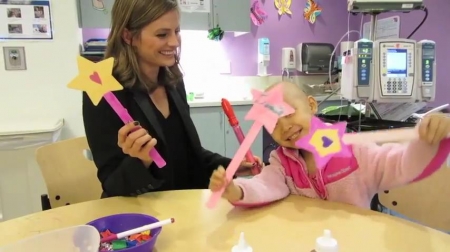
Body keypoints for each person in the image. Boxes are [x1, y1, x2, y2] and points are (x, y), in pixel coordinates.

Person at [83, 0, 260, 198]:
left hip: (184, 210)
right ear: (128, 36)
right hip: (143, 219)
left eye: (176, 31)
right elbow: (113, 185)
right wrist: (140, 161)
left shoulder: (173, 82)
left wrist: (232, 166)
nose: (175, 42)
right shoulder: (106, 93)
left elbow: (191, 156)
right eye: (162, 34)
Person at [209, 81, 450, 209]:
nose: (284, 127)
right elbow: (264, 186)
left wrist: (430, 140)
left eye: (290, 113)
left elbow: (400, 164)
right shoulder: (281, 162)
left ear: (312, 105)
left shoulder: (354, 150)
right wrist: (236, 190)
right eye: (273, 122)